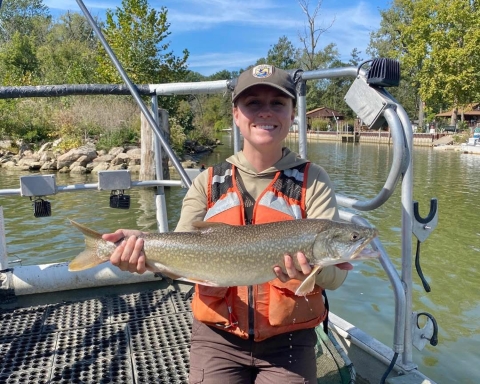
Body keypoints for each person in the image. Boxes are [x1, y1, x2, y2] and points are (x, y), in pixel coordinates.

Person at [104, 64, 352, 383]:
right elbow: (180, 260)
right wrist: (144, 251)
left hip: (289, 342)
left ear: (293, 114)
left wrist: (316, 270)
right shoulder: (207, 182)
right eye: (253, 103)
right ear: (236, 114)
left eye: (278, 103)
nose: (266, 112)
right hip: (216, 338)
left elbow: (334, 280)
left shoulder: (313, 181)